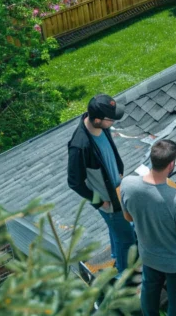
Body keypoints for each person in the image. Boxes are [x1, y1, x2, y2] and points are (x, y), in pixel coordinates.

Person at [121, 140, 176, 316]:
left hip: (149, 256)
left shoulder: (128, 184)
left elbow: (128, 217)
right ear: (171, 164)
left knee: (149, 292)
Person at [66, 94, 135, 277]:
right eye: (110, 119)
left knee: (117, 231)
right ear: (97, 120)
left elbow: (110, 150)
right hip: (108, 201)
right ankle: (123, 274)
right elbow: (74, 182)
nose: (113, 122)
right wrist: (100, 203)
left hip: (117, 191)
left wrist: (119, 169)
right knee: (127, 238)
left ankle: (115, 255)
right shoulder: (80, 146)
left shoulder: (101, 127)